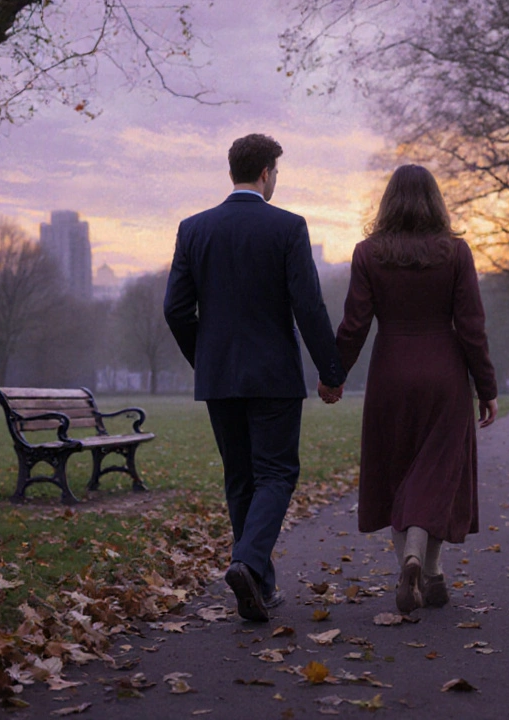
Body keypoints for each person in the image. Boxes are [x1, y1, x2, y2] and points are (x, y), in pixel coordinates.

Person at [164, 134, 346, 622]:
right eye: (277, 174)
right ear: (266, 173)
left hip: (220, 375)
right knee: (277, 473)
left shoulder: (193, 229)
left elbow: (176, 309)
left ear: (233, 172)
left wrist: (205, 358)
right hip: (274, 376)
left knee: (241, 477)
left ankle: (258, 586)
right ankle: (246, 563)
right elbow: (307, 304)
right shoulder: (287, 227)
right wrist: (330, 371)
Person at [323, 164, 497, 614]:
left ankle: (416, 566)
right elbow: (473, 327)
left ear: (388, 202)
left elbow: (355, 324)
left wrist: (333, 374)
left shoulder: (367, 253)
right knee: (438, 474)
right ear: (436, 201)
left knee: (398, 472)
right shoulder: (456, 253)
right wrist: (487, 386)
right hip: (445, 373)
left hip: (390, 374)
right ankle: (427, 567)